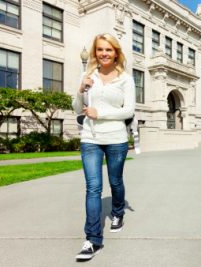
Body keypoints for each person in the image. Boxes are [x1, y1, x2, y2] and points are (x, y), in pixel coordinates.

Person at [72, 33, 135, 261]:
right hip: (90, 138)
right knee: (93, 188)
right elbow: (77, 108)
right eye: (100, 50)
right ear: (95, 52)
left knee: (115, 181)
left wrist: (102, 113)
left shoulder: (126, 79)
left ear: (116, 53)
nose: (104, 53)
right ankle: (93, 240)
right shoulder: (88, 75)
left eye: (108, 50)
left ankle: (117, 212)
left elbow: (128, 110)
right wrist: (81, 90)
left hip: (116, 138)